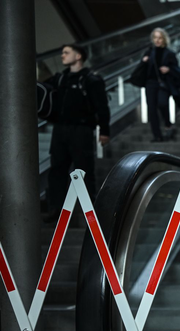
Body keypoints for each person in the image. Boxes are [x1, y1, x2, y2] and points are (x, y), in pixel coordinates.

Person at [44, 44, 110, 221]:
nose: (62, 56)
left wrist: (104, 131)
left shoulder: (91, 80)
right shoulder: (60, 79)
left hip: (81, 130)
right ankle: (56, 209)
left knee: (84, 170)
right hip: (60, 129)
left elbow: (102, 106)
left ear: (78, 56)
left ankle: (90, 210)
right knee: (57, 170)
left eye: (66, 52)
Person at [137, 28, 180, 142]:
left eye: (160, 38)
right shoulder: (149, 53)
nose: (157, 40)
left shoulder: (169, 53)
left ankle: (168, 124)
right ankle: (157, 135)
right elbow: (141, 69)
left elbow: (177, 69)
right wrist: (143, 62)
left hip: (164, 83)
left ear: (164, 39)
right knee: (151, 109)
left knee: (162, 103)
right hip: (150, 83)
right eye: (155, 38)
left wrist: (168, 69)